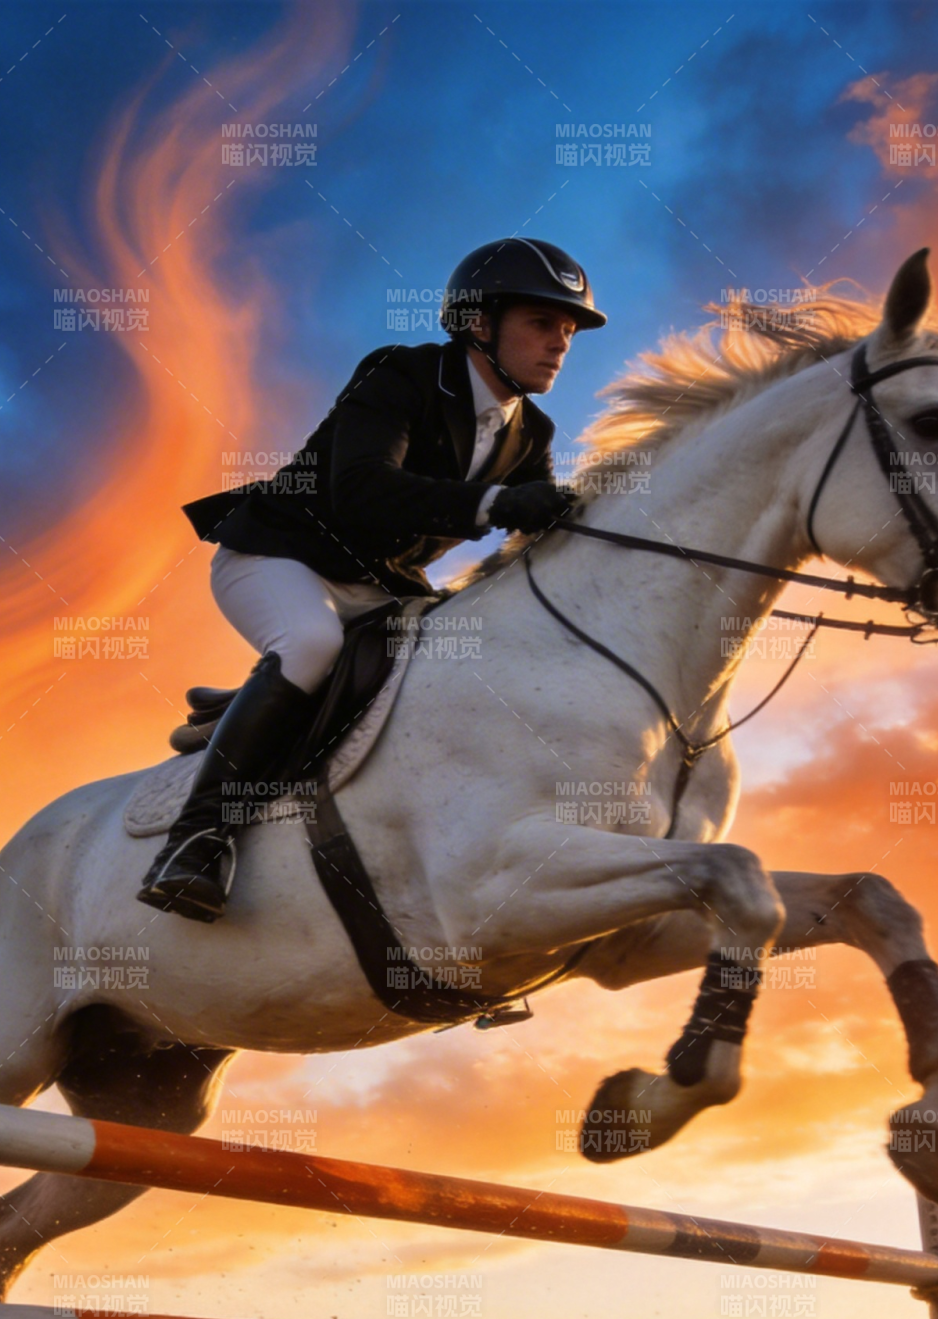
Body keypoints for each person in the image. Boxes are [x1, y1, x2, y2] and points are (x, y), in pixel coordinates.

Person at [138, 238, 607, 923]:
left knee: (460, 666)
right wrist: (491, 504)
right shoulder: (402, 374)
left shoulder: (532, 430)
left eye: (568, 330)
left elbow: (539, 528)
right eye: (542, 323)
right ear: (479, 322)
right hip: (282, 552)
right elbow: (361, 487)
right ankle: (196, 841)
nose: (560, 344)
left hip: (382, 580)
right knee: (310, 645)